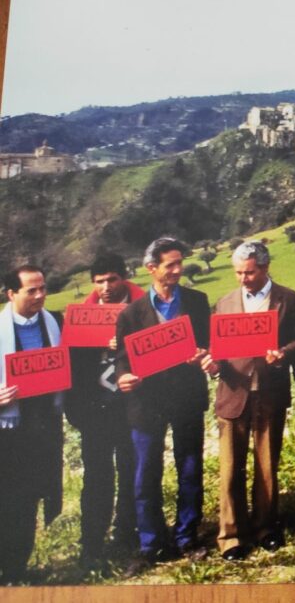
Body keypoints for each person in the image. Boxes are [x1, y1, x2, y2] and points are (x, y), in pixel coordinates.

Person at [203, 242, 295, 560]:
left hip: (270, 391)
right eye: (238, 273)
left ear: (264, 268)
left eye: (249, 272)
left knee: (267, 464)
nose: (243, 279)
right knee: (229, 467)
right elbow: (217, 349)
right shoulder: (224, 304)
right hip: (233, 393)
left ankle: (266, 528)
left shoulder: (288, 299)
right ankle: (231, 536)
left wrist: (284, 354)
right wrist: (212, 365)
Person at [115, 237, 213, 573]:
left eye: (179, 263)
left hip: (186, 398)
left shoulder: (198, 302)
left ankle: (187, 537)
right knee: (146, 475)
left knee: (189, 469)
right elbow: (122, 360)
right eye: (169, 264)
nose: (176, 270)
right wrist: (123, 376)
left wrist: (204, 355)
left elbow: (209, 345)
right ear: (151, 268)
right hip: (147, 404)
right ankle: (151, 544)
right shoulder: (130, 314)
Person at [66, 254, 146, 566]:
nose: (106, 287)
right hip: (97, 411)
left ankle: (126, 533)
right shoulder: (82, 316)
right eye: (99, 281)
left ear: (124, 278)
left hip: (132, 406)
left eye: (112, 279)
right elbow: (73, 369)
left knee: (131, 472)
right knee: (97, 477)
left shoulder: (141, 310)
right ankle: (92, 544)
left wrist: (124, 343)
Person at [0, 265, 64, 583]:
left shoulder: (54, 323)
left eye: (43, 288)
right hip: (6, 432)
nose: (40, 295)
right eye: (31, 290)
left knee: (29, 499)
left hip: (41, 426)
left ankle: (15, 569)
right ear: (11, 293)